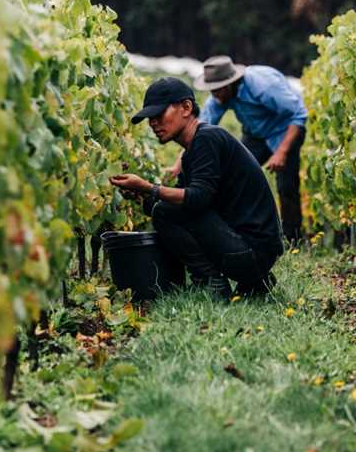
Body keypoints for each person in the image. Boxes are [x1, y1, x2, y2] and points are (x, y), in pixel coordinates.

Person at [109, 77, 284, 299]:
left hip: (251, 252)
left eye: (159, 114)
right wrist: (142, 195)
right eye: (149, 118)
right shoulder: (196, 148)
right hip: (254, 251)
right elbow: (184, 203)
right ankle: (255, 281)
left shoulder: (207, 139)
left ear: (186, 107)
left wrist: (148, 187)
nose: (153, 123)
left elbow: (197, 198)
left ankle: (211, 282)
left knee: (163, 212)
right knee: (165, 208)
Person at [186, 55, 307, 246]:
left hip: (285, 129)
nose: (214, 96)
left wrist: (281, 152)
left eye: (216, 91)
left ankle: (294, 241)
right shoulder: (220, 96)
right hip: (255, 133)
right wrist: (180, 163)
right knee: (234, 173)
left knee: (286, 186)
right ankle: (240, 231)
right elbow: (198, 128)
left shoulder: (264, 87)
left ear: (227, 85)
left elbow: (299, 115)